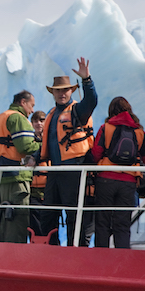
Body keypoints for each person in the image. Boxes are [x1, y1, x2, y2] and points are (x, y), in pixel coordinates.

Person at [39, 57, 97, 246]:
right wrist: (33, 158)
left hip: (73, 170)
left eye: (65, 90)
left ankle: (75, 249)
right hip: (55, 171)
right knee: (48, 212)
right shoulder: (51, 114)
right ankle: (50, 247)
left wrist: (87, 80)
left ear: (71, 91)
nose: (61, 94)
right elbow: (47, 143)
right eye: (58, 91)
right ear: (53, 93)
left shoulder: (77, 111)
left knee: (73, 212)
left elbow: (91, 101)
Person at [90, 97, 145, 248]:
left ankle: (101, 257)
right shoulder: (139, 132)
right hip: (128, 181)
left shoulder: (106, 128)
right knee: (122, 224)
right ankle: (121, 258)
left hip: (105, 178)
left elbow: (96, 154)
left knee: (102, 222)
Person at [0, 90, 40, 242]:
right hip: (17, 177)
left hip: (2, 176)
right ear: (23, 102)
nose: (32, 111)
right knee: (17, 222)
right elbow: (25, 146)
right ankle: (15, 257)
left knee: (3, 220)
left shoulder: (2, 116)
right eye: (31, 106)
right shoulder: (18, 118)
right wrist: (44, 147)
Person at [29, 110, 48, 238]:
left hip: (48, 190)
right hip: (33, 191)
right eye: (35, 121)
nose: (38, 123)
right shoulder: (28, 143)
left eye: (41, 120)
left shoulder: (51, 141)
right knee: (34, 227)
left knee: (50, 226)